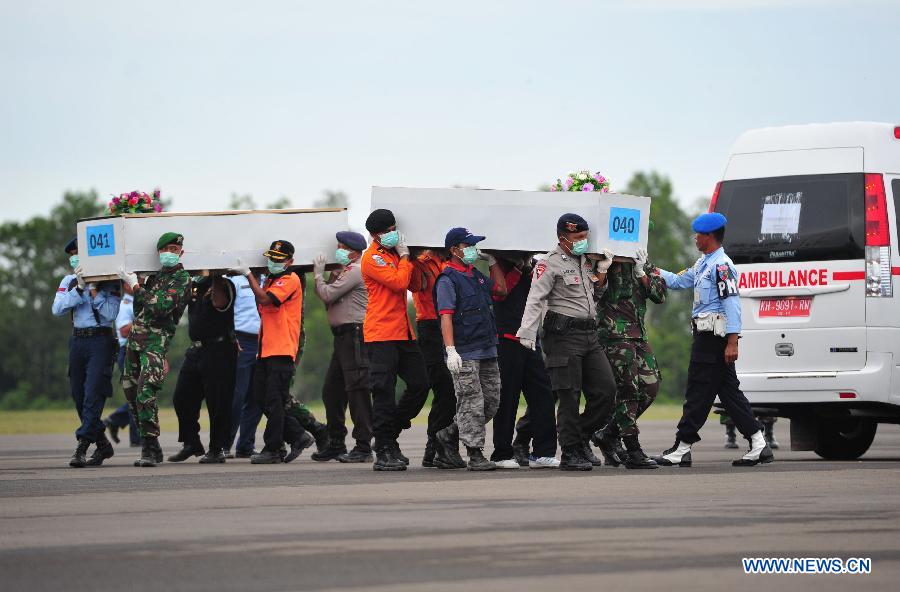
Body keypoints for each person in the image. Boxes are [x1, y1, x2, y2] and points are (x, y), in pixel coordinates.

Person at [652, 212, 774, 467]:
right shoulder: (703, 264)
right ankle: (759, 443)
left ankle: (682, 446)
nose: (695, 239)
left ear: (709, 236)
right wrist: (651, 270)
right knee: (729, 394)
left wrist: (733, 342)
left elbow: (732, 304)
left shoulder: (721, 266)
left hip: (713, 339)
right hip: (708, 336)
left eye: (698, 235)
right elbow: (677, 281)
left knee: (698, 391)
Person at [515, 214, 617, 471]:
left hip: (589, 335)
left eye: (585, 237)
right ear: (563, 238)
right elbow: (535, 298)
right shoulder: (549, 263)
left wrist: (602, 271)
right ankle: (570, 451)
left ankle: (580, 436)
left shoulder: (586, 261)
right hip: (562, 335)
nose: (583, 241)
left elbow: (595, 294)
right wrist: (527, 332)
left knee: (606, 391)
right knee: (568, 394)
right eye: (578, 237)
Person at [229, 240, 315, 464]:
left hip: (282, 350)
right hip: (265, 350)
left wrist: (248, 274)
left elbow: (265, 299)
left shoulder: (290, 279)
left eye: (279, 259)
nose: (273, 262)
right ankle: (297, 435)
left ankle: (274, 449)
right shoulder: (271, 280)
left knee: (274, 401)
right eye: (271, 258)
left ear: (290, 261)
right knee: (262, 399)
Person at [361, 208, 431, 471]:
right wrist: (404, 257)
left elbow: (416, 284)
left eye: (394, 229)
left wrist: (413, 257)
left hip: (403, 332)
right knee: (383, 392)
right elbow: (399, 283)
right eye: (387, 231)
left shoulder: (395, 255)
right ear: (375, 235)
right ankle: (384, 449)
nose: (393, 234)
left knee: (421, 383)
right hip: (381, 333)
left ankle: (389, 434)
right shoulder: (372, 258)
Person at [432, 228, 506, 471]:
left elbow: (501, 290)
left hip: (487, 348)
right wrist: (451, 350)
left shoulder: (476, 275)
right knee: (471, 403)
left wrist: (492, 262)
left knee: (491, 402)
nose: (473, 249)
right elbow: (445, 316)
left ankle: (448, 434)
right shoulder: (447, 279)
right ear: (454, 250)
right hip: (464, 352)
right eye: (468, 245)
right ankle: (475, 454)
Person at [118, 232, 192, 467]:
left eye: (174, 249)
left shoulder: (182, 279)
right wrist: (140, 283)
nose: (170, 253)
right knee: (130, 393)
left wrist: (136, 286)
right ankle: (153, 446)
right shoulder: (155, 278)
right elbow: (140, 309)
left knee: (145, 391)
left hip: (155, 343)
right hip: (135, 341)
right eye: (166, 249)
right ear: (159, 252)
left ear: (181, 252)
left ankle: (149, 447)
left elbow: (161, 307)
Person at [591, 248, 666, 469]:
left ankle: (608, 433)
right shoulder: (603, 259)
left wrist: (641, 272)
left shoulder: (643, 261)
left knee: (650, 387)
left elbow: (660, 295)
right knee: (628, 391)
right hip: (614, 334)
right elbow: (594, 293)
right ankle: (633, 449)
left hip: (639, 335)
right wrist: (603, 268)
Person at [52, 237, 121, 467]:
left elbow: (111, 314)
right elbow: (57, 309)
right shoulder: (69, 281)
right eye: (71, 255)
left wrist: (93, 290)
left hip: (100, 340)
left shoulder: (110, 282)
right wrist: (79, 288)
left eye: (78, 253)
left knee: (93, 394)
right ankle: (103, 444)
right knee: (79, 396)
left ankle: (81, 447)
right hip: (77, 341)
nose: (74, 258)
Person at [490, 253, 559, 469]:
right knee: (507, 398)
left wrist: (528, 265)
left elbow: (541, 291)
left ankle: (543, 452)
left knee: (544, 394)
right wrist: (515, 268)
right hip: (506, 339)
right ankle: (501, 453)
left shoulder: (535, 265)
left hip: (530, 339)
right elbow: (500, 293)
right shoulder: (498, 263)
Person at [310, 231, 374, 463]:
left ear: (354, 251)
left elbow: (327, 295)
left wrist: (319, 275)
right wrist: (328, 276)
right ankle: (336, 443)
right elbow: (325, 295)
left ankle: (363, 447)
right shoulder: (346, 270)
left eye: (341, 248)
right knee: (332, 391)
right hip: (342, 338)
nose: (338, 251)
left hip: (354, 335)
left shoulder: (356, 270)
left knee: (357, 390)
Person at [167, 274, 237, 463]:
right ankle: (191, 442)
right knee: (181, 398)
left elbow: (219, 302)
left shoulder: (224, 284)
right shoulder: (195, 285)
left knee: (218, 402)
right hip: (197, 349)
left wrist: (215, 274)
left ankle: (217, 449)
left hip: (219, 350)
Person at [409, 248, 461, 468]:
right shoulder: (420, 262)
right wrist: (410, 256)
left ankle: (443, 447)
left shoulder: (451, 262)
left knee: (454, 391)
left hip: (453, 325)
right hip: (430, 327)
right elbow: (414, 285)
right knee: (444, 387)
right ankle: (436, 446)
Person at [223, 273, 265, 458]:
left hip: (265, 340)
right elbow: (225, 312)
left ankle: (246, 445)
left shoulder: (268, 279)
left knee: (257, 396)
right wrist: (231, 337)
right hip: (242, 340)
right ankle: (224, 444)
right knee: (237, 395)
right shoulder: (233, 280)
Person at [102, 284, 141, 448]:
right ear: (125, 284)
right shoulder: (126, 304)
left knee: (139, 394)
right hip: (127, 351)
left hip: (137, 350)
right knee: (136, 395)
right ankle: (137, 438)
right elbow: (124, 330)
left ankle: (115, 420)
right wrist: (145, 319)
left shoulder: (137, 301)